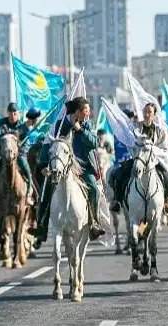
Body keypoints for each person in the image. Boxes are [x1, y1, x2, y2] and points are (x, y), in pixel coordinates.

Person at [34, 97, 106, 241]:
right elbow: (48, 143)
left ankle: (94, 223)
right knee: (46, 190)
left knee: (93, 188)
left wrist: (80, 130)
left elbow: (94, 143)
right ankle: (41, 226)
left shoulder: (87, 124)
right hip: (61, 167)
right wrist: (43, 165)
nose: (89, 113)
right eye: (86, 110)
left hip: (83, 168)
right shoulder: (59, 125)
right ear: (78, 112)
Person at [109, 103, 168, 214]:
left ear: (154, 115)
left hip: (153, 161)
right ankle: (117, 200)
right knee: (118, 174)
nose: (146, 114)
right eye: (145, 112)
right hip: (138, 159)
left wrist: (153, 150)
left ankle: (166, 201)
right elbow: (130, 143)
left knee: (167, 177)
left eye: (149, 112)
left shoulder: (160, 131)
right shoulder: (136, 127)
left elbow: (165, 149)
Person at [0, 102, 33, 205]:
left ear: (18, 114)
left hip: (18, 154)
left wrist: (21, 135)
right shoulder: (1, 123)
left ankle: (28, 195)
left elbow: (26, 142)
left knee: (26, 169)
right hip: (2, 154)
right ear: (7, 113)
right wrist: (12, 134)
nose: (12, 115)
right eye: (10, 113)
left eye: (15, 113)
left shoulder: (22, 125)